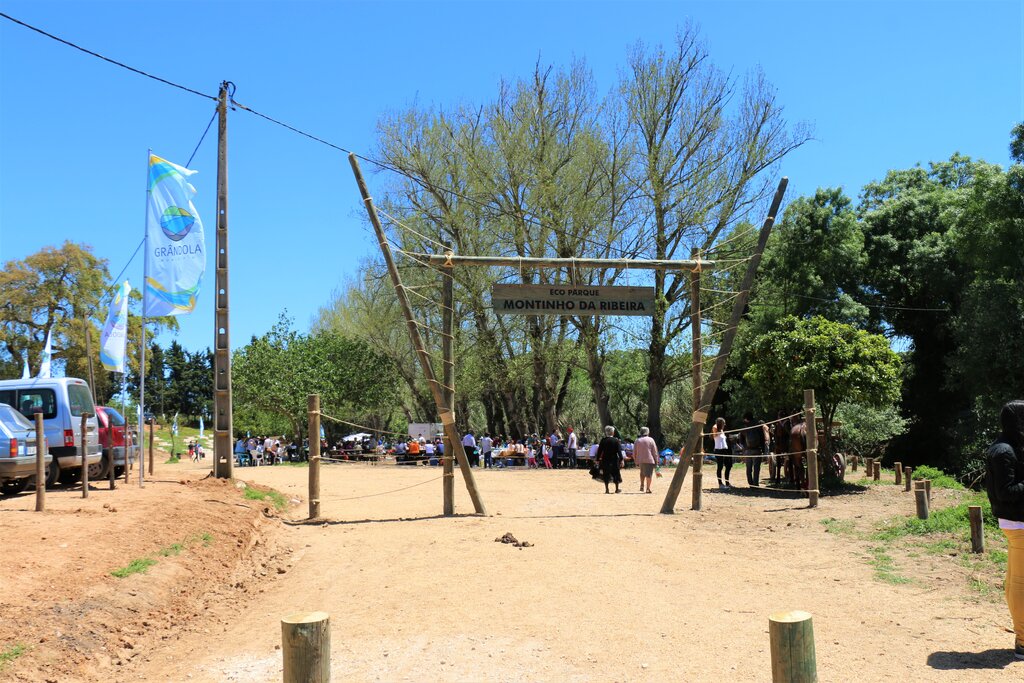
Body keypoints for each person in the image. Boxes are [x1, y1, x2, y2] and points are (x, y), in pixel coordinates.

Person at [986, 400, 1024, 660]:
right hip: (1018, 523)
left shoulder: (1004, 447)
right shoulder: (1004, 451)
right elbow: (1006, 492)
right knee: (1020, 582)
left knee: (1015, 579)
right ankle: (1022, 640)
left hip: (1014, 523)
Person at [740, 413, 769, 487]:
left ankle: (751, 484)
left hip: (747, 450)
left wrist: (744, 449)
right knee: (756, 468)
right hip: (757, 449)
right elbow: (762, 438)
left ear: (746, 419)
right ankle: (756, 484)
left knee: (748, 468)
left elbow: (741, 441)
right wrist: (762, 449)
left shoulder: (744, 427)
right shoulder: (757, 426)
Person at [597, 425, 623, 494]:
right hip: (614, 459)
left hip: (605, 459)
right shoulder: (616, 440)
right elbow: (619, 452)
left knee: (606, 473)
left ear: (606, 432)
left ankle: (607, 489)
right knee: (616, 473)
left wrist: (597, 459)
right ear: (613, 432)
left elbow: (599, 451)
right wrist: (622, 459)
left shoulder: (603, 440)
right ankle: (617, 489)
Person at [634, 427, 658, 493]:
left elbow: (634, 452)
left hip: (640, 460)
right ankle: (648, 489)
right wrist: (656, 460)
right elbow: (654, 451)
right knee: (649, 474)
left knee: (642, 472)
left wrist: (635, 460)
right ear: (648, 432)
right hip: (649, 459)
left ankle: (642, 485)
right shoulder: (651, 440)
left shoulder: (637, 440)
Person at [712, 417, 733, 490]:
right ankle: (720, 484)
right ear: (720, 423)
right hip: (719, 450)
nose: (724, 425)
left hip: (725, 449)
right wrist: (719, 431)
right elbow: (714, 435)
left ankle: (727, 482)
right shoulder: (715, 427)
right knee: (720, 467)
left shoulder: (721, 429)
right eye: (723, 423)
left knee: (728, 466)